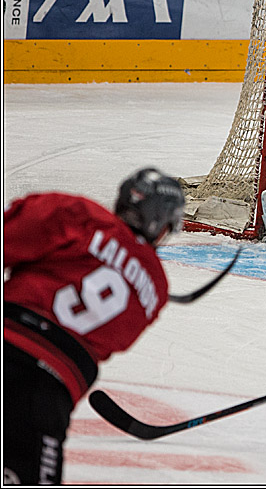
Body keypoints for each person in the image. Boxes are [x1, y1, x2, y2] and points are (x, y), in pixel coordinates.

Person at [4, 168, 185, 484]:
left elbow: (11, 236)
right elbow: (117, 338)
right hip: (49, 391)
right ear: (160, 222)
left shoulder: (79, 214)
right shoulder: (154, 287)